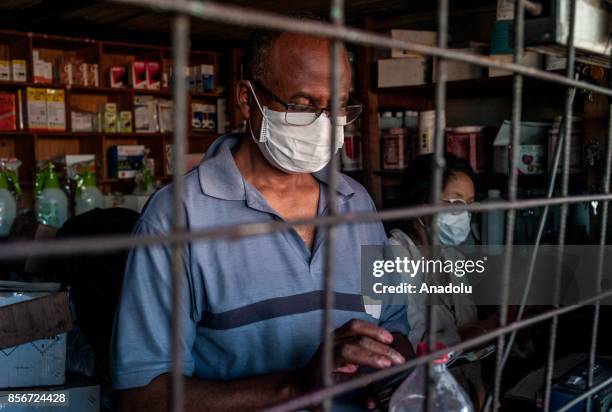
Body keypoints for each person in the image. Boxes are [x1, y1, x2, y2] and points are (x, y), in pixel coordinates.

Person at [111, 15, 413, 412]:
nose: (324, 125)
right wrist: (295, 388)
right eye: (303, 105)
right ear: (246, 99)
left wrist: (390, 373)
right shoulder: (178, 217)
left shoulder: (356, 203)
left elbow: (394, 328)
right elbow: (141, 396)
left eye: (337, 106)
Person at [389, 153, 496, 408]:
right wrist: (491, 328)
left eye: (469, 205)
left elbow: (466, 328)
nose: (464, 216)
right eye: (455, 203)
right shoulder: (391, 257)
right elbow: (412, 349)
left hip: (466, 394)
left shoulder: (451, 256)